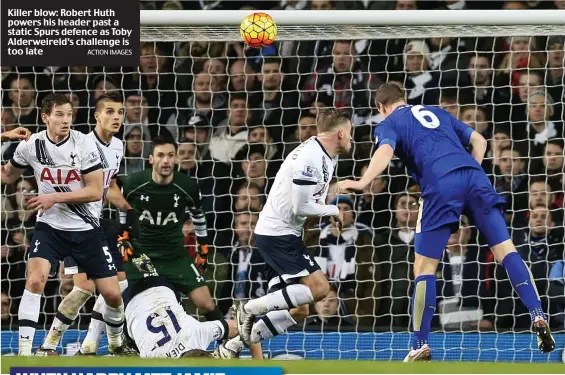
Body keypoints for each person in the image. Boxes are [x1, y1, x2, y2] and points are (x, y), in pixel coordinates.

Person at [337, 83, 555, 361]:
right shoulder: (436, 112)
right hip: (475, 177)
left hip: (440, 185)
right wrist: (472, 172)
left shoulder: (388, 123)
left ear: (381, 108)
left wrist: (362, 181)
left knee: (424, 268)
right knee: (506, 250)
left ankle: (419, 344)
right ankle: (537, 314)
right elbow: (480, 141)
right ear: (404, 98)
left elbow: (384, 153)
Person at [0, 93, 129, 356]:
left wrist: (53, 197)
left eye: (69, 114)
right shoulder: (31, 145)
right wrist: (3, 137)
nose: (66, 120)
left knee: (113, 295)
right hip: (50, 227)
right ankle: (26, 354)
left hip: (86, 228)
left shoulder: (84, 144)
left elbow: (95, 191)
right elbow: (6, 175)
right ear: (45, 117)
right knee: (36, 280)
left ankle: (116, 343)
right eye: (59, 114)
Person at [234, 109, 351, 348]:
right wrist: (333, 210)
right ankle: (248, 308)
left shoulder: (327, 155)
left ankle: (232, 346)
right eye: (350, 133)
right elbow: (301, 206)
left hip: (285, 234)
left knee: (299, 310)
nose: (351, 138)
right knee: (320, 288)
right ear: (340, 133)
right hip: (277, 234)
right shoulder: (310, 158)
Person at [37, 93, 135, 356]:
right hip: (74, 225)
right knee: (84, 288)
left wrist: (128, 209)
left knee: (118, 287)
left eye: (120, 112)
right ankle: (50, 344)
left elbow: (109, 185)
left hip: (99, 225)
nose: (116, 117)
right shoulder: (79, 144)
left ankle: (102, 343)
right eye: (110, 112)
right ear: (96, 116)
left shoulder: (118, 146)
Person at [119, 136, 222, 322]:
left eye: (170, 155)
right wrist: (123, 234)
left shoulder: (187, 186)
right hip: (142, 256)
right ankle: (119, 344)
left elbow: (198, 215)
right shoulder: (133, 183)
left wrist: (203, 246)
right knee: (123, 302)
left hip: (175, 256)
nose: (165, 161)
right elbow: (122, 208)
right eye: (160, 155)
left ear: (176, 159)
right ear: (151, 159)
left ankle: (228, 346)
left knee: (206, 303)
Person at [123, 254, 263, 359]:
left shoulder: (198, 332)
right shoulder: (154, 362)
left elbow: (247, 327)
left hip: (159, 290)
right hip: (135, 302)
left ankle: (146, 269)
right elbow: (248, 328)